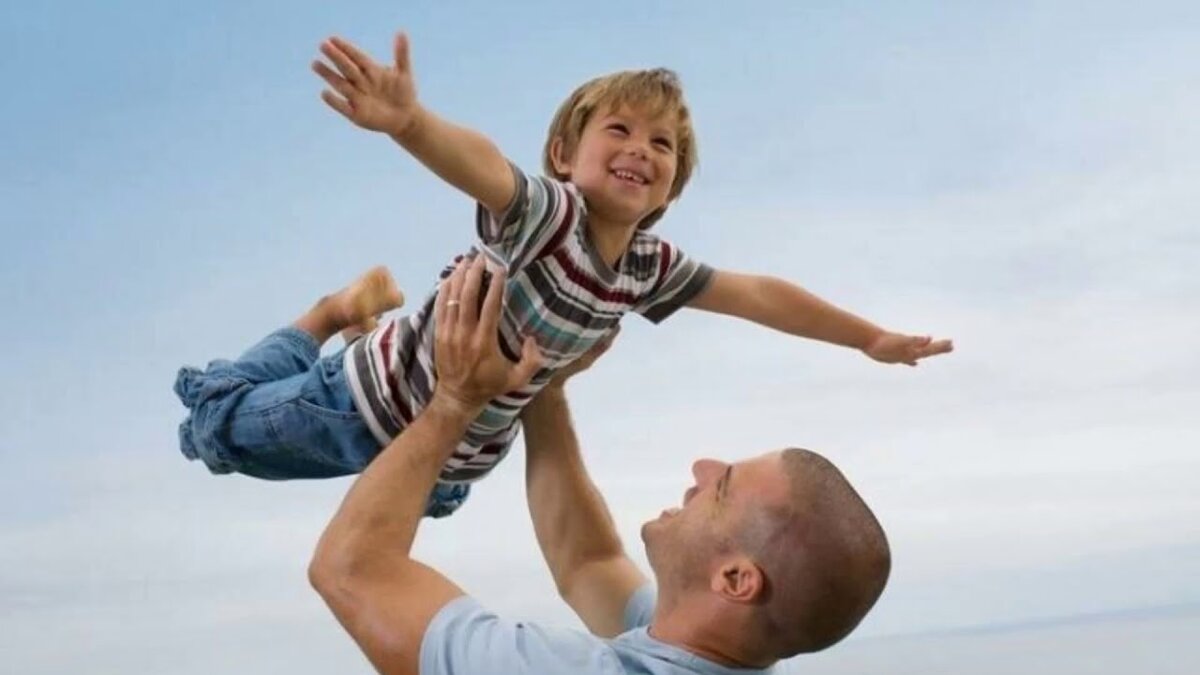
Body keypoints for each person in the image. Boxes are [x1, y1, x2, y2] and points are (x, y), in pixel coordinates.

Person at [174, 28, 952, 518]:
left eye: (662, 144)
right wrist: (411, 124)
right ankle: (331, 313)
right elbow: (486, 168)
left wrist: (867, 337)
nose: (641, 148)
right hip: (360, 405)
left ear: (671, 187)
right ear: (563, 156)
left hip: (447, 467)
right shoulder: (550, 215)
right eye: (620, 129)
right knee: (212, 428)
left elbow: (756, 295)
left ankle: (347, 316)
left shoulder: (647, 267)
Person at [309, 255, 892, 674]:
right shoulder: (728, 646)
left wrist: (455, 401)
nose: (702, 470)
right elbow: (588, 562)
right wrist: (544, 384)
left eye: (722, 489)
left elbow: (350, 570)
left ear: (736, 580)